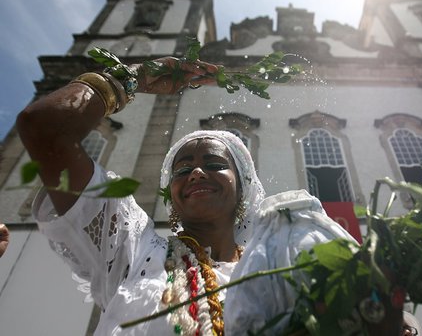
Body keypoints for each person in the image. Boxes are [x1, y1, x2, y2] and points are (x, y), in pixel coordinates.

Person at [17, 55, 362, 335]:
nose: (196, 172)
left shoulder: (278, 269)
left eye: (213, 163)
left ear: (242, 185)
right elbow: (45, 128)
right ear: (173, 194)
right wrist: (135, 77)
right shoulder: (133, 252)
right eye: (182, 170)